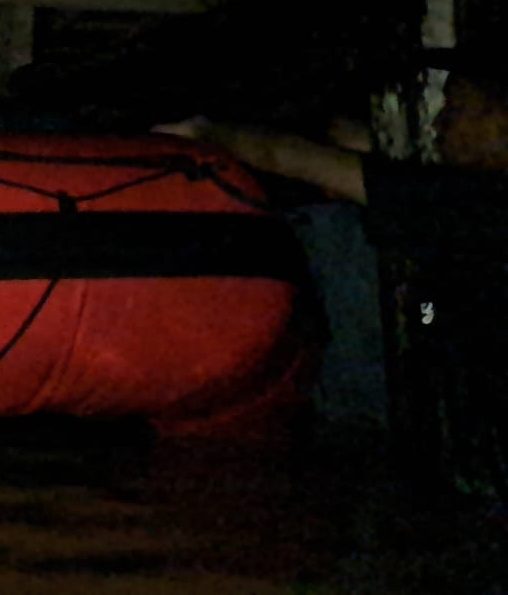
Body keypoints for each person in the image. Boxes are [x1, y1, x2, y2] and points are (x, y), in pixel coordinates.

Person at [153, 54, 508, 503]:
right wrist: (429, 314)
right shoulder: (450, 213)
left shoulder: (467, 204)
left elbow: (291, 158)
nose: (439, 124)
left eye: (457, 109)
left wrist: (204, 134)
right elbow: (433, 308)